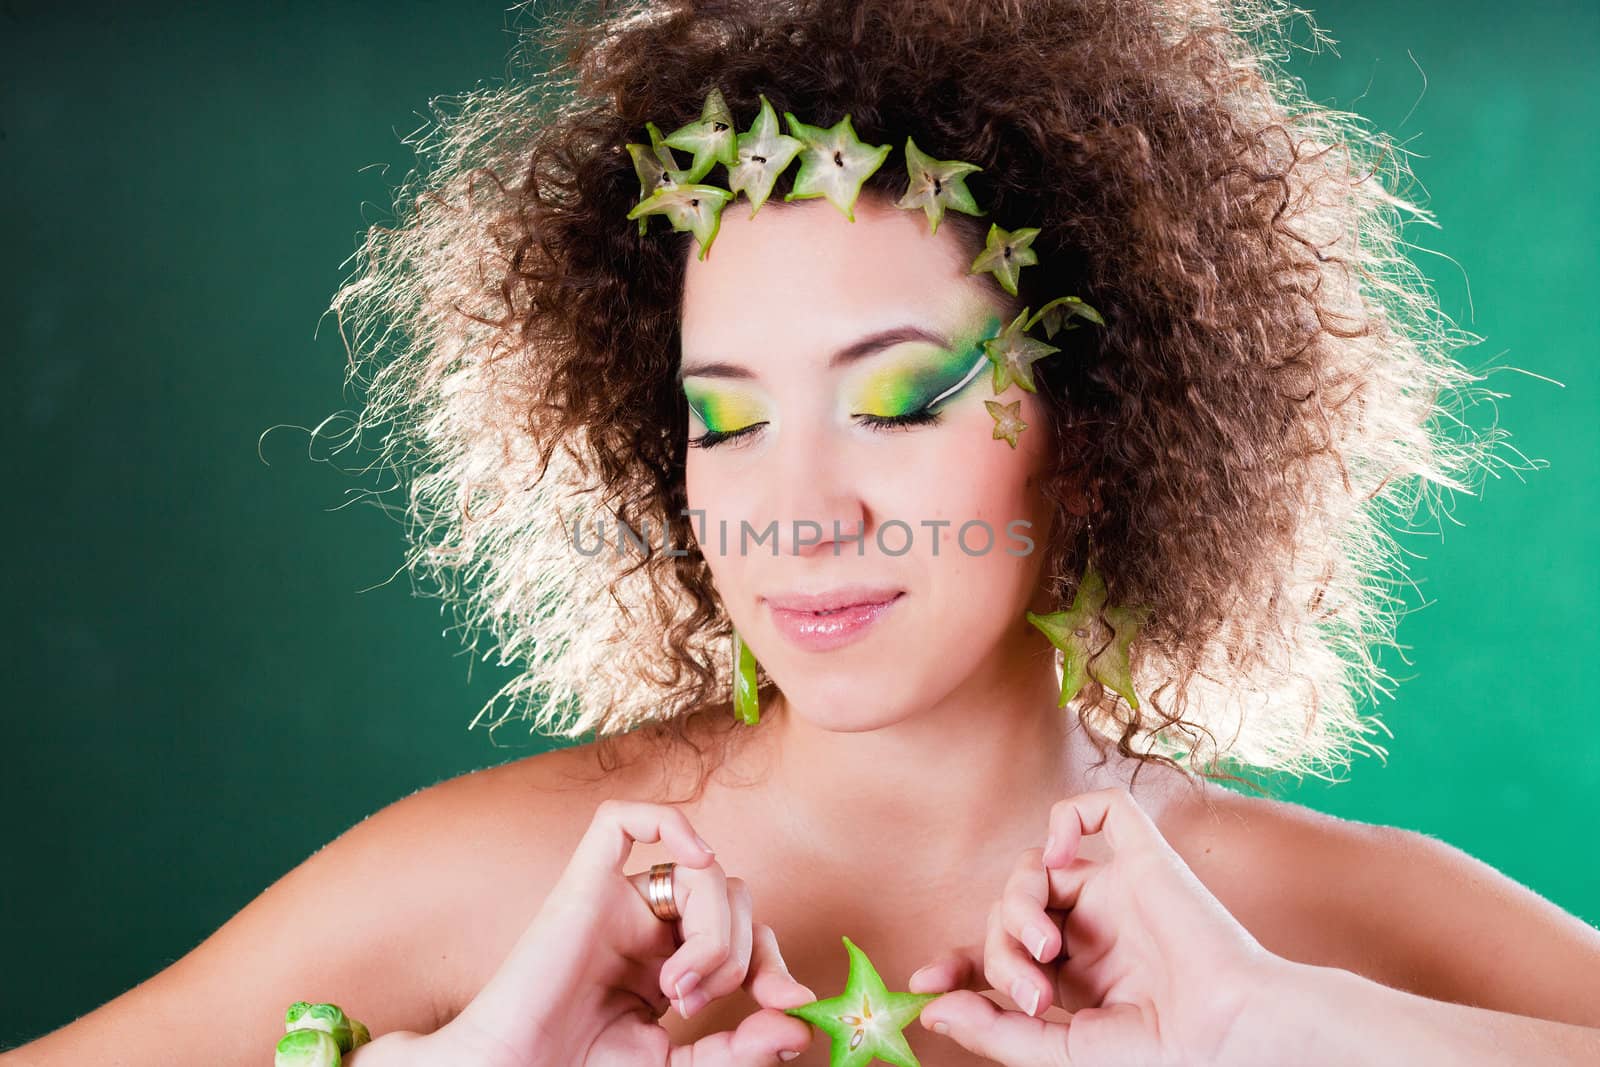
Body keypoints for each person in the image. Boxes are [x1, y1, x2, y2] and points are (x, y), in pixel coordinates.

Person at [8, 0, 1598, 1064]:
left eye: (899, 400)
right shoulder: (495, 886)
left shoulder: (1335, 923)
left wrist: (1287, 1030)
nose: (796, 511)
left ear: (1102, 431)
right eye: (725, 415)